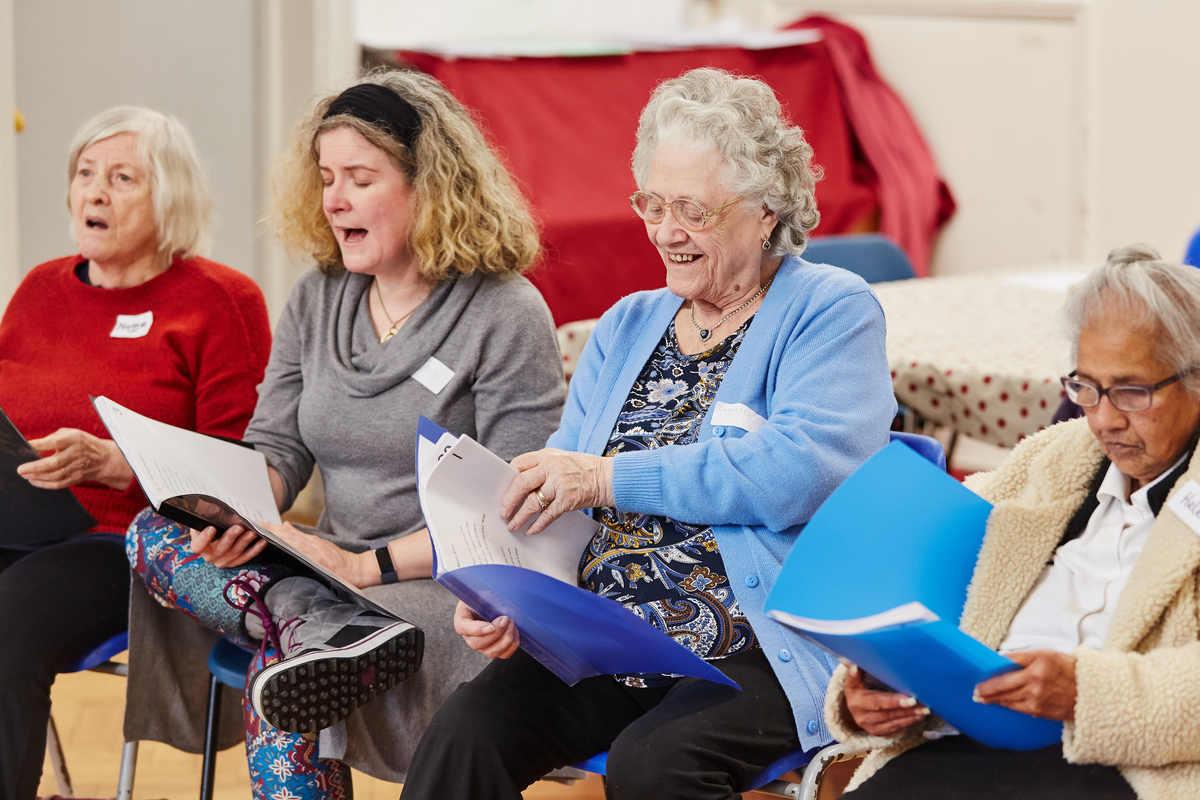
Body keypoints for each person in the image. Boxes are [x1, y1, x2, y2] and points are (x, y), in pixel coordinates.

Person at [395, 67, 897, 800]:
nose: (666, 231)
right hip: (614, 635)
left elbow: (803, 468)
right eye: (653, 203)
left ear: (764, 211)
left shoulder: (829, 309)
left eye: (691, 209)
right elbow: (557, 497)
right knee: (465, 733)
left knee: (654, 764)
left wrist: (608, 476)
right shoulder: (627, 324)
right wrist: (507, 594)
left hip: (757, 643)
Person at [124, 68, 564, 798]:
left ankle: (311, 633)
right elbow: (279, 448)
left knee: (283, 681)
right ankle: (311, 625)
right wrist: (239, 510)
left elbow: (513, 511)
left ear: (431, 186)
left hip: (442, 583)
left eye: (359, 178)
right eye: (327, 178)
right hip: (323, 574)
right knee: (151, 533)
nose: (333, 200)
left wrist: (369, 569)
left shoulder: (505, 311)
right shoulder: (317, 296)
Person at [828, 245, 1200, 799]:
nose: (1103, 418)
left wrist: (1085, 693)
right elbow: (931, 590)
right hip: (968, 736)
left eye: (1130, 391)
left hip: (1119, 765)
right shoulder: (1051, 460)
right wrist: (868, 692)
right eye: (1085, 388)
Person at [0, 106, 270, 799]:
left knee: (7, 621)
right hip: (18, 522)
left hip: (128, 542)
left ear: (170, 197)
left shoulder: (219, 301)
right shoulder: (38, 290)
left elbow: (240, 470)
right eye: (85, 175)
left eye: (122, 178)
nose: (95, 192)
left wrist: (112, 464)